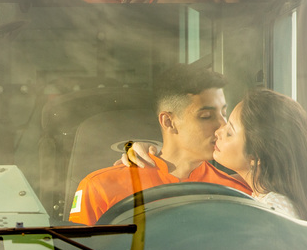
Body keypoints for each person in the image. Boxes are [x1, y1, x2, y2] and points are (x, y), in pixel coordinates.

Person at [68, 64, 249, 225]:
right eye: (206, 117)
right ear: (168, 122)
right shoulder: (100, 187)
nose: (222, 125)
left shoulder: (236, 193)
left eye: (224, 113)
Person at [210, 88, 307, 226]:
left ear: (255, 156)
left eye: (229, 133)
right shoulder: (270, 203)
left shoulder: (269, 214)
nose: (218, 132)